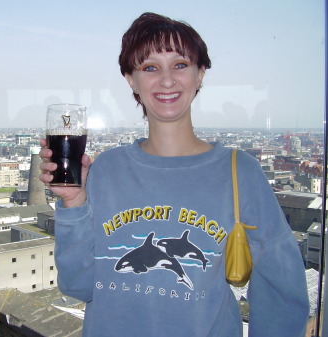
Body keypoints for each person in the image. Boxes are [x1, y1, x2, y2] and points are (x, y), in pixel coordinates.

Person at [39, 12, 309, 337]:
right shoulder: (103, 170)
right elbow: (79, 287)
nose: (166, 80)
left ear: (201, 74)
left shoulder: (241, 173)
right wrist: (73, 202)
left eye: (180, 64)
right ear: (130, 79)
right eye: (150, 67)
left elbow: (282, 294)